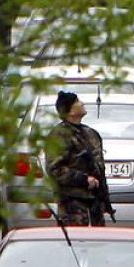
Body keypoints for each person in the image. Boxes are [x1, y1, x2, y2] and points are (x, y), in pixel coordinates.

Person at [47, 91, 113, 226]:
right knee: (76, 240)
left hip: (94, 200)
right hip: (72, 201)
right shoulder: (59, 135)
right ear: (70, 111)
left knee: (98, 242)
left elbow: (99, 168)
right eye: (77, 101)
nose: (82, 103)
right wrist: (83, 179)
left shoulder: (90, 133)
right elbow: (55, 169)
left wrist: (105, 199)